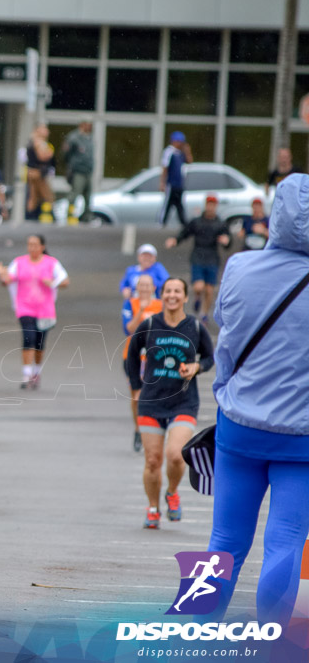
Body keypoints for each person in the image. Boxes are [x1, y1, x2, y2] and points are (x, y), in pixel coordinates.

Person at [207, 173, 309, 625]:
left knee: (223, 539)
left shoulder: (240, 268)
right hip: (302, 438)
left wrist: (226, 391)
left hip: (240, 425)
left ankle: (192, 634)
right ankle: (271, 640)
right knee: (285, 539)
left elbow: (225, 342)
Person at [126, 278, 213, 530]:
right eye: (168, 291)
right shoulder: (151, 324)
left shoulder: (194, 327)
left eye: (177, 291)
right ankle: (153, 508)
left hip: (183, 402)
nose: (172, 295)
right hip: (152, 401)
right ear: (161, 295)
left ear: (185, 297)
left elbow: (209, 357)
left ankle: (172, 493)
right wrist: (136, 386)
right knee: (153, 460)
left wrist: (196, 367)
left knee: (176, 455)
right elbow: (133, 352)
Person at [0, 234, 69, 389]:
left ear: (42, 247)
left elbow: (65, 280)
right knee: (28, 337)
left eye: (35, 244)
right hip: (24, 307)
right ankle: (26, 374)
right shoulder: (19, 262)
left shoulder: (51, 263)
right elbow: (7, 279)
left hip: (45, 310)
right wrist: (2, 275)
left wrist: (53, 282)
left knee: (39, 343)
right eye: (29, 244)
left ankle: (36, 371)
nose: (32, 247)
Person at [164, 194, 230, 324]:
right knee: (199, 287)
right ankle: (197, 298)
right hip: (198, 256)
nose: (210, 207)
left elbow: (228, 241)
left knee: (210, 289)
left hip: (212, 257)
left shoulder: (220, 223)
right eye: (209, 204)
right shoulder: (197, 221)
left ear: (216, 206)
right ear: (206, 205)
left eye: (213, 204)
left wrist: (226, 241)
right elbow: (185, 232)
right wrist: (175, 240)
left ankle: (204, 313)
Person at [121, 274, 162, 453]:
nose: (145, 288)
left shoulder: (161, 305)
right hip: (134, 357)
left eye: (148, 285)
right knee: (137, 396)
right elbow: (128, 328)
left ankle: (153, 431)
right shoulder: (130, 303)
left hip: (156, 357)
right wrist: (141, 311)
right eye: (141, 285)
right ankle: (138, 429)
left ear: (154, 288)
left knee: (155, 395)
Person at [62, 120, 95, 223]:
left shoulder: (89, 137)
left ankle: (87, 217)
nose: (90, 126)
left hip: (87, 171)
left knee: (88, 195)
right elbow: (65, 154)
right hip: (78, 171)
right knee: (75, 193)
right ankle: (70, 214)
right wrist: (71, 166)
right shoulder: (74, 137)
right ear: (82, 124)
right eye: (88, 124)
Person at [159, 131, 192, 227]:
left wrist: (187, 151)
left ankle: (184, 223)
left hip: (179, 184)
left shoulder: (181, 154)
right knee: (167, 204)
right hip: (171, 183)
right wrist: (162, 183)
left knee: (179, 205)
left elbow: (189, 161)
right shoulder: (169, 152)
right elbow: (165, 168)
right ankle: (161, 223)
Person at [25, 125, 54, 221]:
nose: (47, 132)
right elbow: (42, 156)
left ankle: (31, 216)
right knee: (46, 196)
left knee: (34, 196)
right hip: (36, 172)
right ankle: (44, 216)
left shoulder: (34, 140)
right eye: (45, 130)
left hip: (35, 172)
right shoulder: (38, 142)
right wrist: (49, 153)